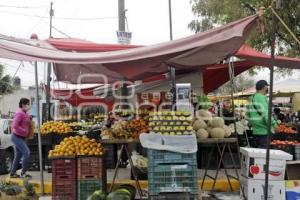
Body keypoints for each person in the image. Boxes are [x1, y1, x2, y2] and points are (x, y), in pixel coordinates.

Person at [246, 80, 277, 148]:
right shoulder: (262, 98)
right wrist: (274, 125)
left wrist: (252, 123)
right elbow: (266, 114)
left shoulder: (252, 98)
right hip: (264, 132)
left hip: (255, 132)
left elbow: (247, 115)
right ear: (265, 87)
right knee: (262, 155)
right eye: (267, 87)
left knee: (256, 155)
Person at [10, 98, 32, 178]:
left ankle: (12, 173)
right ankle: (24, 172)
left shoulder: (25, 113)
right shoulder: (19, 113)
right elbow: (15, 125)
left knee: (18, 155)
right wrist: (24, 131)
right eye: (28, 104)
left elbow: (25, 122)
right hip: (16, 137)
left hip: (21, 137)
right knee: (26, 153)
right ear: (23, 104)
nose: (29, 106)